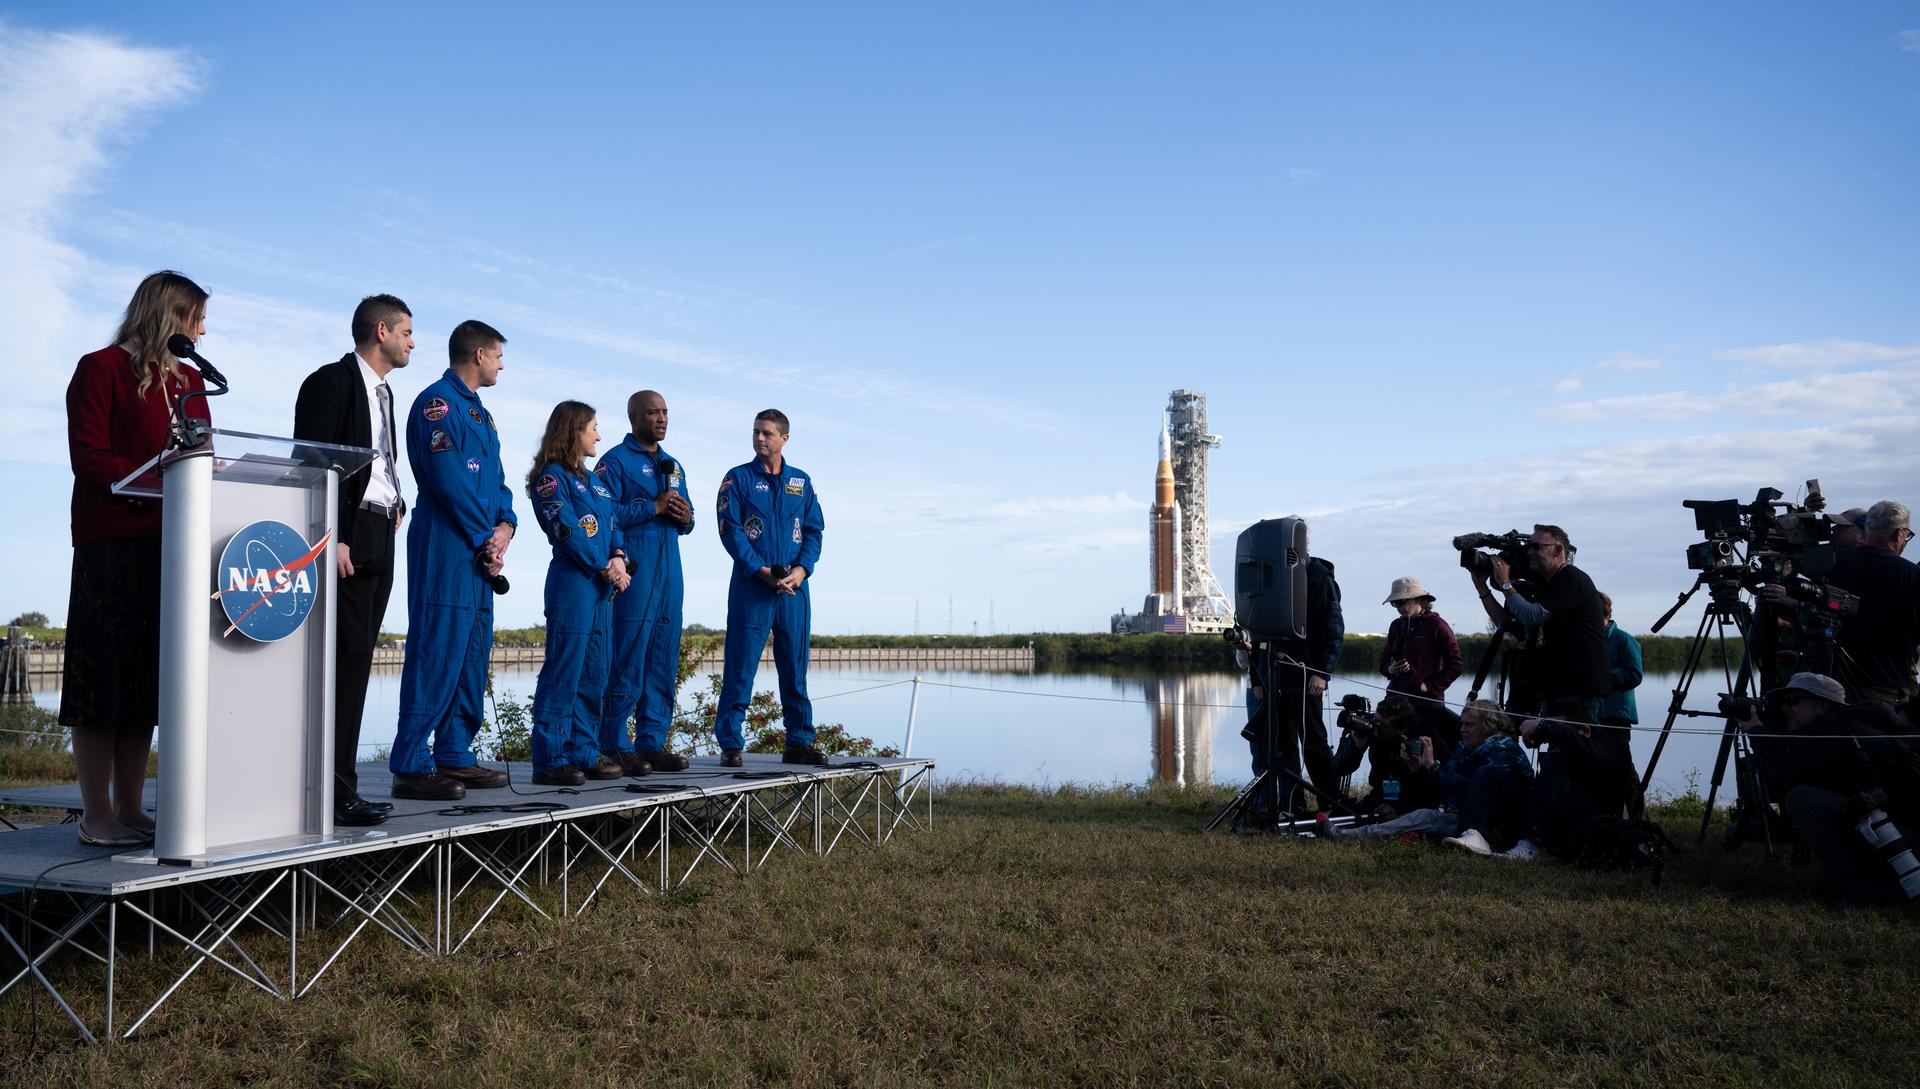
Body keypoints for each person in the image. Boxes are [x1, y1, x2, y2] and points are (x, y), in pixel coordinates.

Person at [60, 271, 212, 847]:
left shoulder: (191, 380)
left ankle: (130, 805)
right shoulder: (98, 369)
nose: (202, 330)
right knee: (103, 684)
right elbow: (90, 459)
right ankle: (94, 814)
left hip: (172, 547)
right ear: (166, 315)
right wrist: (156, 473)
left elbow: (200, 456)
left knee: (144, 684)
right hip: (110, 546)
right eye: (195, 317)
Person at [292, 294, 415, 828]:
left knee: (358, 660)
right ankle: (330, 792)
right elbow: (312, 462)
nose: (413, 342)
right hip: (343, 534)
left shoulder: (384, 394)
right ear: (381, 330)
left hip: (379, 531)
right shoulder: (330, 382)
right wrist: (333, 532)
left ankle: (343, 785)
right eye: (407, 331)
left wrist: (396, 501)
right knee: (337, 664)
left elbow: (377, 460)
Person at [389, 321, 517, 800]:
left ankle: (455, 753)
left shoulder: (481, 414)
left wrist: (505, 527)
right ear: (479, 354)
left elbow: (499, 482)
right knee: (437, 648)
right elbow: (445, 479)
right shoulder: (436, 404)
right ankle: (410, 763)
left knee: (472, 651)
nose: (502, 365)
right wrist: (486, 535)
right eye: (499, 356)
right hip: (447, 542)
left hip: (482, 549)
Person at [1741, 672, 1920, 906]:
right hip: (1899, 835)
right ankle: (1870, 878)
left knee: (1801, 799)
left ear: (1822, 705)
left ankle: (1867, 891)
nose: (1785, 708)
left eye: (1793, 700)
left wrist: (1757, 733)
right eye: (1783, 702)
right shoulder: (1855, 722)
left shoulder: (1830, 730)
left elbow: (1778, 777)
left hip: (1902, 844)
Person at [525, 402, 630, 785]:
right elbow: (565, 528)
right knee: (564, 669)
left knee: (594, 672)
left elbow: (613, 522)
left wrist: (618, 556)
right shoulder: (552, 478)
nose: (598, 435)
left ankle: (584, 751)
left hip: (602, 585)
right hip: (574, 581)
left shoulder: (596, 482)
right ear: (573, 431)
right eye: (593, 428)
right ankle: (550, 757)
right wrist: (603, 564)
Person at [714, 409, 826, 766]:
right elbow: (729, 529)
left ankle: (799, 741)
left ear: (784, 439)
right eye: (756, 432)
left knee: (795, 667)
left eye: (767, 433)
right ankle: (732, 743)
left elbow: (813, 531)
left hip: (793, 590)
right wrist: (759, 570)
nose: (760, 438)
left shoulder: (801, 482)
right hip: (753, 586)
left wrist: (803, 570)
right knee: (741, 666)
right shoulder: (738, 479)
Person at [597, 390, 694, 775]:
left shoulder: (674, 465)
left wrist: (686, 516)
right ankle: (615, 742)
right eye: (653, 412)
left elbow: (688, 519)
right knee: (628, 655)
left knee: (663, 657)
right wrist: (651, 507)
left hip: (670, 575)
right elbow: (604, 514)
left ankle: (652, 742)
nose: (661, 418)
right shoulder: (614, 463)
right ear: (633, 416)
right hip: (635, 573)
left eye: (665, 412)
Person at [1241, 527, 1344, 815]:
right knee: (1282, 748)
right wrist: (1257, 677)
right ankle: (1291, 807)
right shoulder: (1270, 577)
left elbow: (1332, 628)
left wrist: (1322, 672)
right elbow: (1259, 633)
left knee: (1314, 745)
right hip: (1274, 678)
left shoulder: (1318, 576)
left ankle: (1330, 806)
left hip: (1307, 677)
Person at [1483, 524, 1608, 724]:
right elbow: (1507, 623)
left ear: (1559, 550)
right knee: (1557, 751)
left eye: (1536, 547)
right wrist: (1481, 584)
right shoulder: (1547, 585)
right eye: (1528, 547)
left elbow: (1532, 615)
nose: (1530, 552)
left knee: (1574, 750)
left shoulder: (1571, 579)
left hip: (1579, 690)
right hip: (1558, 688)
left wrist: (1506, 583)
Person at [1825, 501, 1919, 710]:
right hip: (1887, 687)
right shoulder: (1912, 574)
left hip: (1834, 686)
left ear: (1867, 529)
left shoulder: (1831, 563)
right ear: (1899, 534)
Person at [1597, 593, 1646, 819]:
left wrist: (1601, 675)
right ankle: (1608, 816)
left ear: (1605, 614)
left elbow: (1634, 675)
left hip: (1616, 714)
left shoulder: (1625, 640)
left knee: (1624, 768)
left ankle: (1638, 818)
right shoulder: (1588, 640)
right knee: (1605, 766)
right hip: (1592, 713)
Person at [1379, 577, 1462, 705]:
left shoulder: (1437, 625)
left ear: (1418, 600)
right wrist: (1390, 669)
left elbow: (1456, 665)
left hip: (1427, 702)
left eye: (1401, 601)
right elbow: (1384, 661)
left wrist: (1429, 685)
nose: (1397, 607)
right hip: (1395, 699)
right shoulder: (1395, 625)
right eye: (1394, 603)